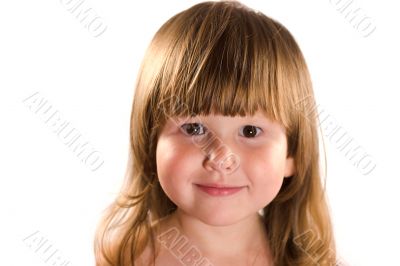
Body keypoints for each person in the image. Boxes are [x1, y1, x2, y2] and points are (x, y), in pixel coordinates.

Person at [94, 1, 337, 265]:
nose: (221, 157)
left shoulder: (310, 261)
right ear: (150, 141)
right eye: (193, 128)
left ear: (293, 154)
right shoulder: (128, 259)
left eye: (250, 130)